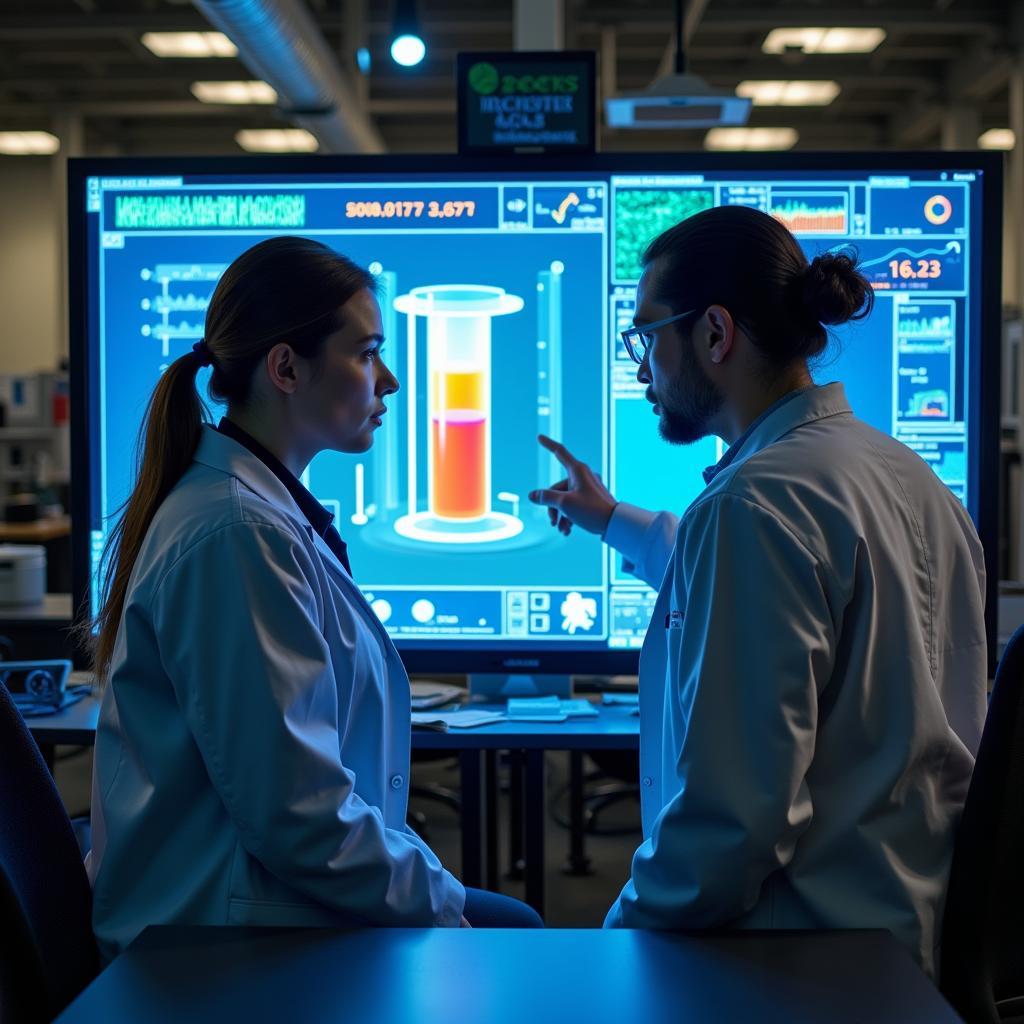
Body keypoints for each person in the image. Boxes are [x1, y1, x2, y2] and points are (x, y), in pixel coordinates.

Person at [528, 205, 986, 976]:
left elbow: (732, 825)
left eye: (646, 337)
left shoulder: (752, 505)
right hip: (909, 945)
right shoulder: (908, 478)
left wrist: (611, 947)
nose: (641, 368)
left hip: (795, 961)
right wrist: (611, 519)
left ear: (714, 333)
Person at [85, 236, 541, 961]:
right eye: (365, 353)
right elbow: (298, 817)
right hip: (219, 937)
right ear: (287, 368)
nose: (387, 380)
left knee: (509, 923)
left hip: (256, 897)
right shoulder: (236, 534)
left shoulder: (251, 511)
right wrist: (438, 902)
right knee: (515, 938)